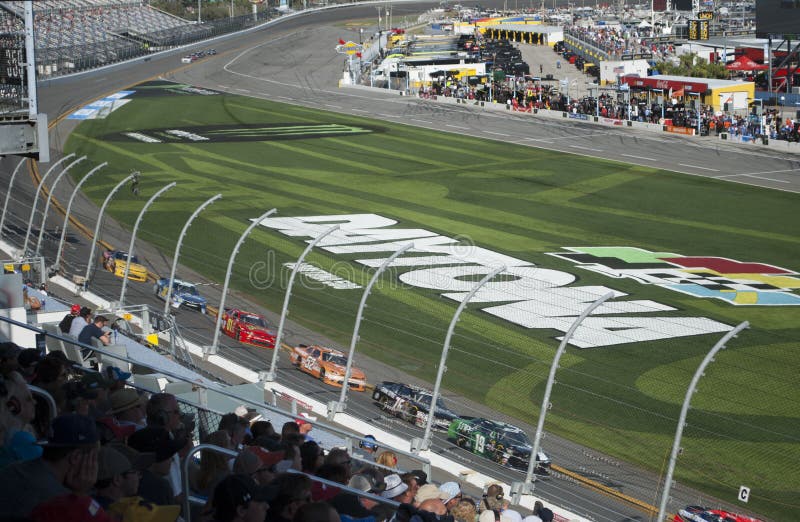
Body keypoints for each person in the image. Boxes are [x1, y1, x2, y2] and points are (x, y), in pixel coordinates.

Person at [0, 413, 101, 518]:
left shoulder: (12, 470)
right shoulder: (57, 499)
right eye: (95, 458)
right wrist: (80, 495)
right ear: (76, 457)